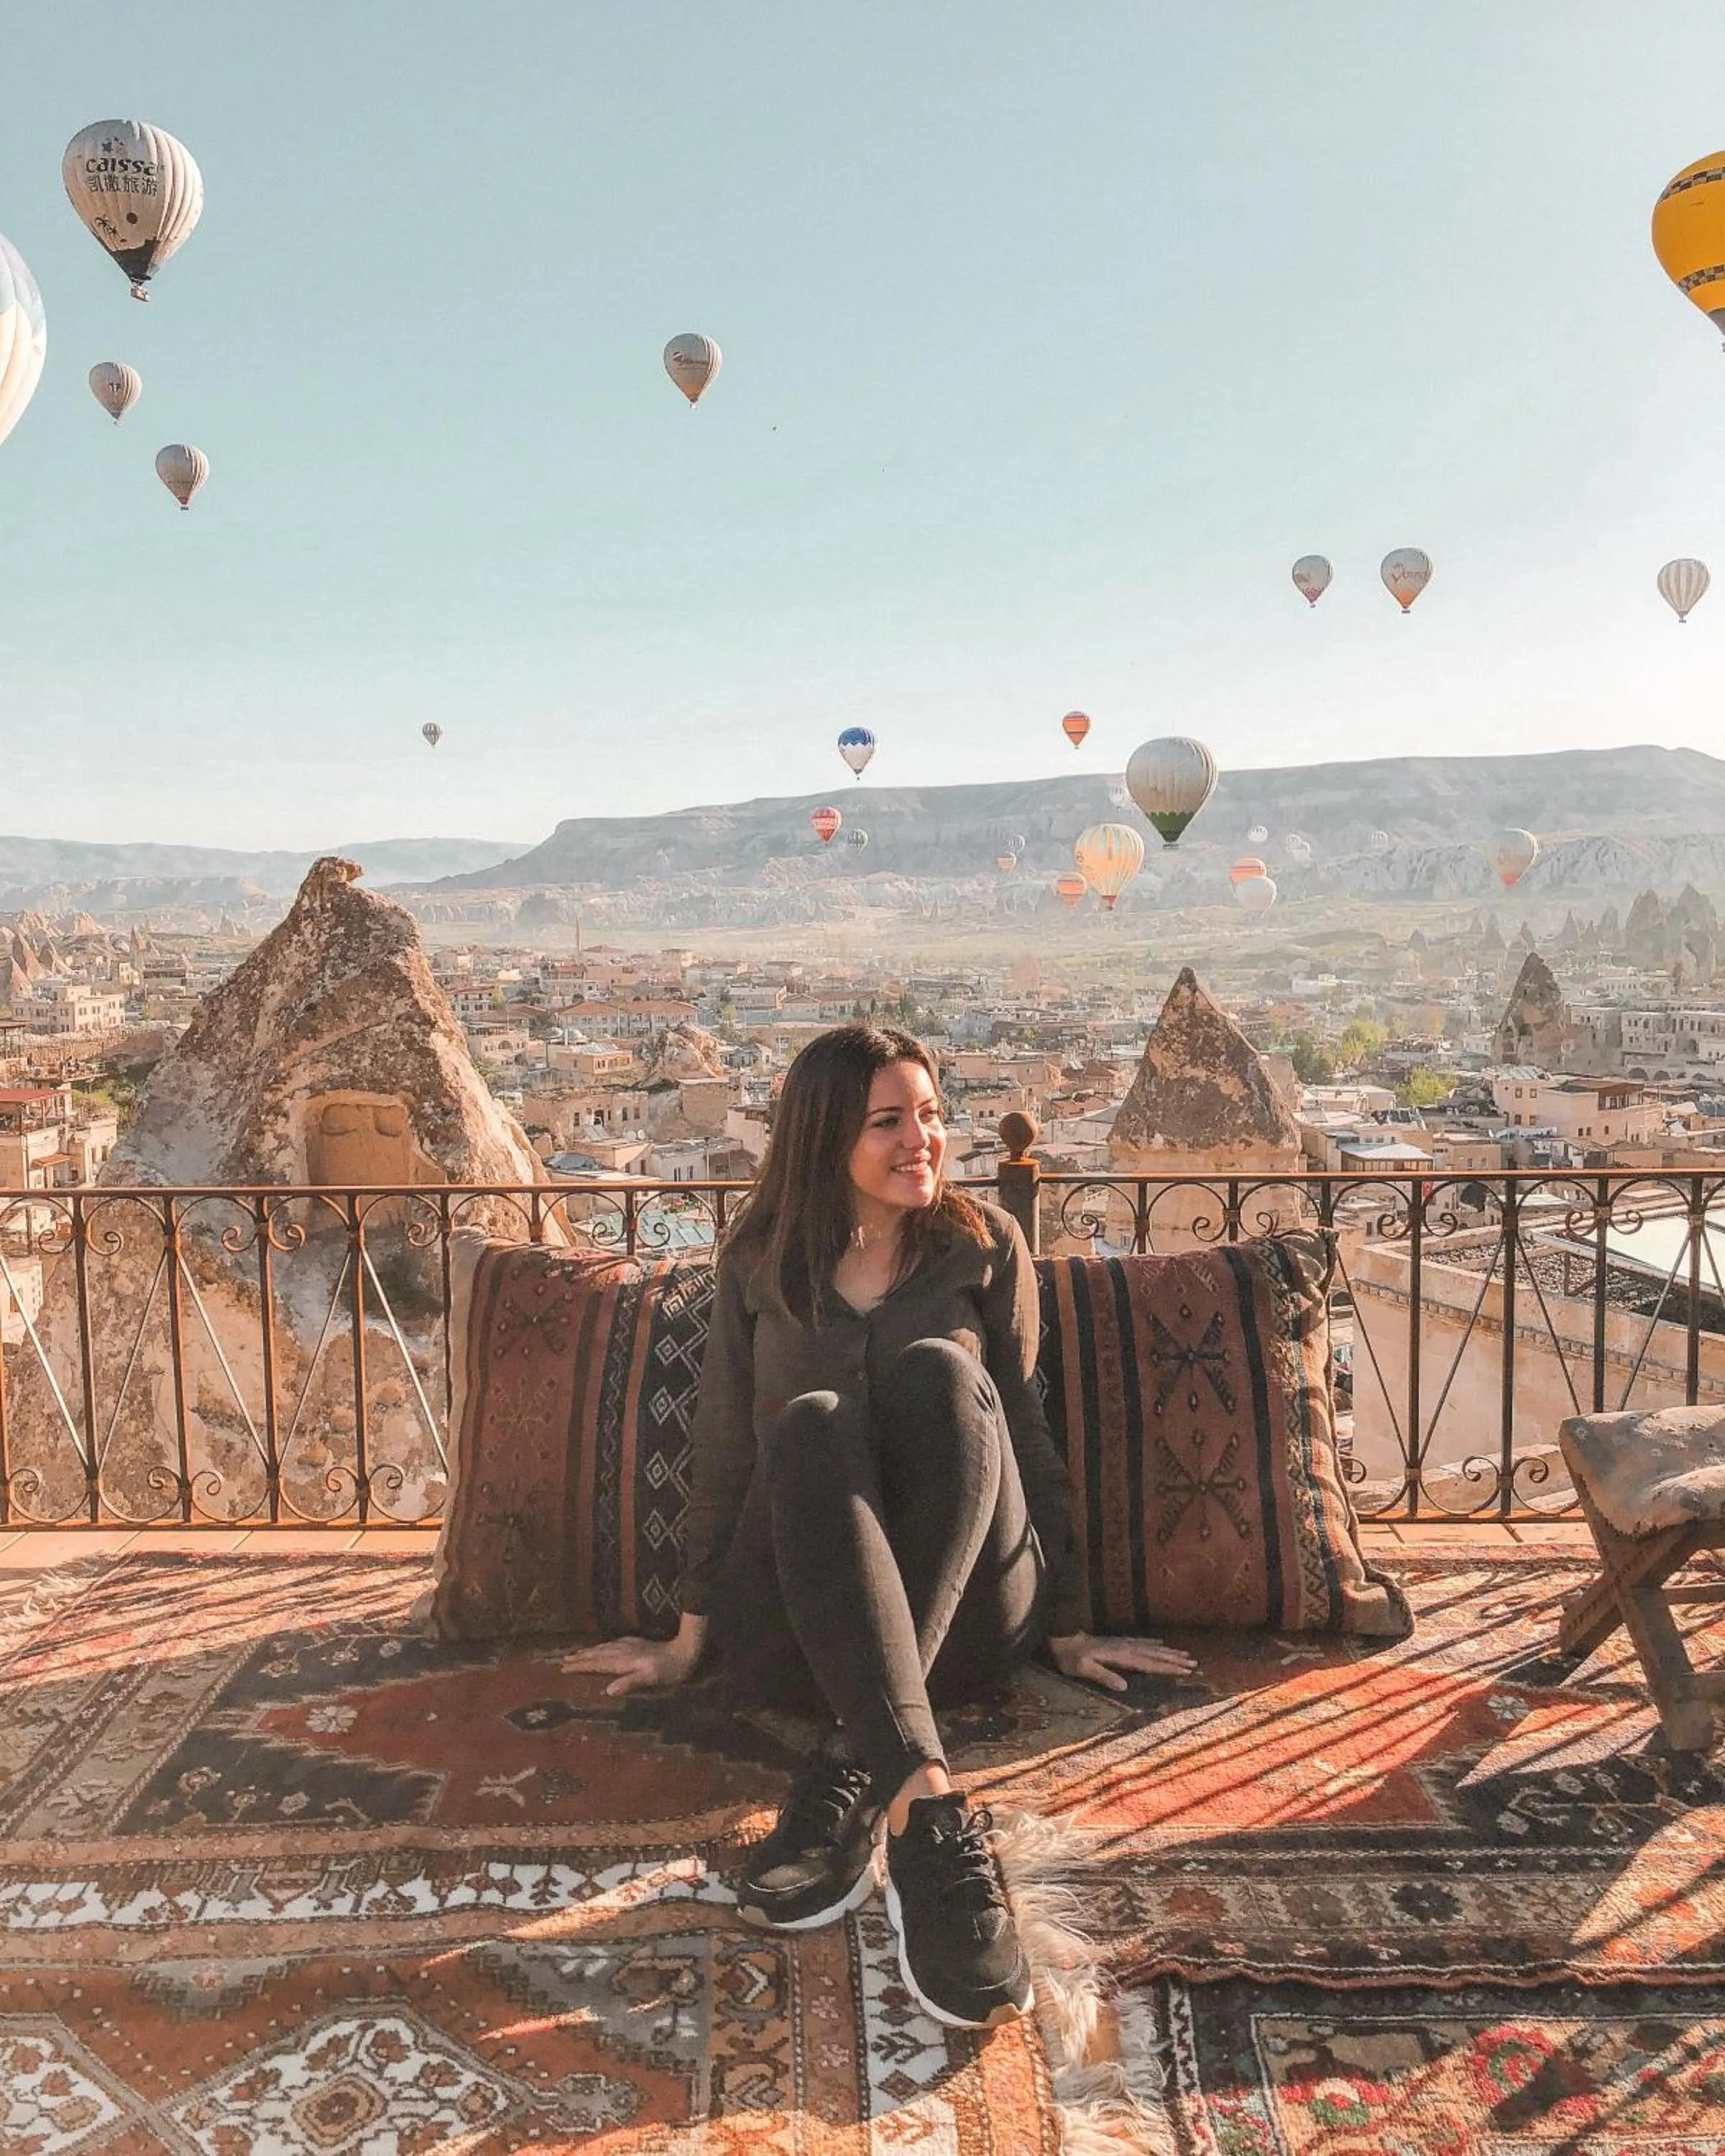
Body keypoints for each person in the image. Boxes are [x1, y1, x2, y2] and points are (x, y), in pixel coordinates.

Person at [567, 1023, 1193, 2031]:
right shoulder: (760, 1263)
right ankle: (926, 1815)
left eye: (932, 1116)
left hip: (968, 1618)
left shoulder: (983, 1246)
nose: (922, 1141)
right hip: (804, 1626)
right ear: (825, 1138)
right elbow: (723, 1454)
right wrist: (687, 1639)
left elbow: (1021, 1432)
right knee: (808, 1424)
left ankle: (858, 1766)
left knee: (945, 1378)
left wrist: (1072, 1623)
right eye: (888, 1122)